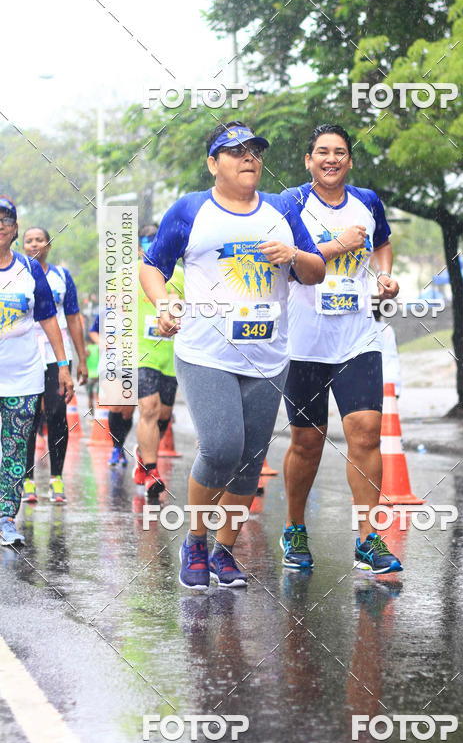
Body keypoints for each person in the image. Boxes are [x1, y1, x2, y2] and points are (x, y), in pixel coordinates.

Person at [140, 120, 325, 590]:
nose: (249, 159)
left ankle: (224, 550)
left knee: (249, 459)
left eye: (255, 151)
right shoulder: (190, 210)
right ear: (213, 163)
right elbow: (152, 267)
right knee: (222, 447)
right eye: (235, 151)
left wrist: (293, 255)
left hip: (268, 355)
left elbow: (316, 270)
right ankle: (195, 541)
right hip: (206, 351)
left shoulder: (282, 209)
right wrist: (164, 302)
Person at [281, 123, 403, 574]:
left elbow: (383, 243)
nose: (330, 159)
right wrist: (339, 245)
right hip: (305, 342)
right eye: (322, 152)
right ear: (309, 160)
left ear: (349, 160)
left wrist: (384, 277)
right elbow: (292, 259)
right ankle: (294, 527)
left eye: (339, 152)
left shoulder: (367, 201)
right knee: (308, 442)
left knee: (367, 432)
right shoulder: (291, 203)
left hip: (358, 337)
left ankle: (369, 539)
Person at [0, 197, 74, 545]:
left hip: (23, 378)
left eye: (5, 219)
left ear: (14, 228)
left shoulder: (28, 270)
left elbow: (47, 318)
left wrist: (63, 365)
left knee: (15, 449)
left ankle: (5, 517)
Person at [107, 224, 184, 500]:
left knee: (163, 415)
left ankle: (143, 456)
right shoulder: (124, 276)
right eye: (147, 243)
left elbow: (191, 312)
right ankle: (152, 471)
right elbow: (113, 314)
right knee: (148, 408)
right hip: (137, 352)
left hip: (169, 355)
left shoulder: (181, 275)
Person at [20, 227, 88, 504]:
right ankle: (27, 480)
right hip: (26, 354)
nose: (34, 243)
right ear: (22, 245)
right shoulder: (17, 273)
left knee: (58, 413)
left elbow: (73, 317)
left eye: (39, 239)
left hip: (57, 356)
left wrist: (81, 358)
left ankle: (56, 478)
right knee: (28, 416)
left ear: (48, 244)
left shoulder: (62, 277)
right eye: (29, 240)